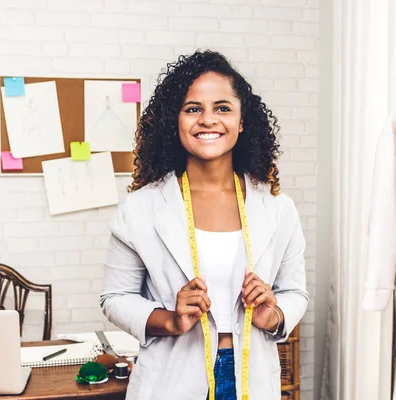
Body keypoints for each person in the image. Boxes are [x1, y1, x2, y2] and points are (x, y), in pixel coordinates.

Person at [100, 50, 308, 400]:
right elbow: (115, 297)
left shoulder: (278, 208)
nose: (208, 119)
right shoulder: (140, 209)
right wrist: (170, 319)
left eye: (223, 108)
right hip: (173, 376)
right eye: (193, 108)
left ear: (242, 121)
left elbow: (295, 292)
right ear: (175, 120)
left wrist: (273, 315)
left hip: (250, 375)